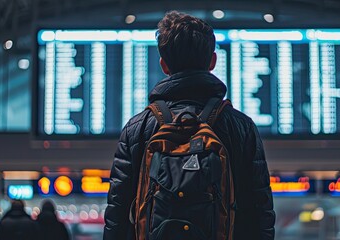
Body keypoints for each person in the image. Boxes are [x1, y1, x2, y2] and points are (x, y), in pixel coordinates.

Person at [103, 10, 275, 240]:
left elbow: (117, 212)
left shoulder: (138, 128)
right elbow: (260, 211)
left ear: (164, 65)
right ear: (213, 61)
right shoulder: (240, 127)